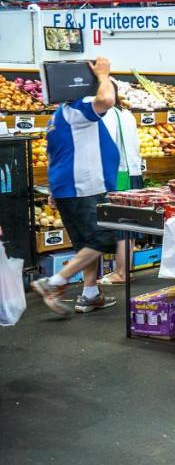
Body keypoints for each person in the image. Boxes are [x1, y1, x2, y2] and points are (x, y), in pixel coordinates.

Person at [30, 57, 119, 316]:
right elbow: (107, 100)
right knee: (104, 237)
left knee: (85, 243)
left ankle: (90, 293)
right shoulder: (80, 108)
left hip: (68, 188)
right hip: (86, 187)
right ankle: (54, 282)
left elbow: (54, 155)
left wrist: (54, 192)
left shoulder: (58, 116)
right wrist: (103, 75)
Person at [100, 90, 143, 285]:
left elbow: (106, 147)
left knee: (122, 226)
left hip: (119, 174)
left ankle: (121, 273)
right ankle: (127, 269)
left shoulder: (108, 115)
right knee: (131, 225)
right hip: (133, 173)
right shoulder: (126, 113)